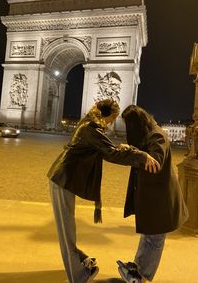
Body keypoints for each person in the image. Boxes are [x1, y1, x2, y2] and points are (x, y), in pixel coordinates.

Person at [47, 99, 159, 283]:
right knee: (66, 231)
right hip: (62, 179)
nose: (112, 123)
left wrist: (125, 149)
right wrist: (142, 155)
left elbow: (109, 148)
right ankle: (78, 275)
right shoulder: (92, 129)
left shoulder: (89, 124)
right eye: (113, 119)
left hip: (64, 179)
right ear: (107, 115)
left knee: (67, 230)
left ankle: (81, 261)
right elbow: (111, 153)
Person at [117, 105, 189, 283]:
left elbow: (155, 162)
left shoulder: (156, 136)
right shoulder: (151, 133)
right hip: (154, 196)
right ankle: (138, 267)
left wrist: (133, 151)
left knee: (155, 238)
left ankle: (143, 276)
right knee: (148, 234)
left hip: (161, 199)